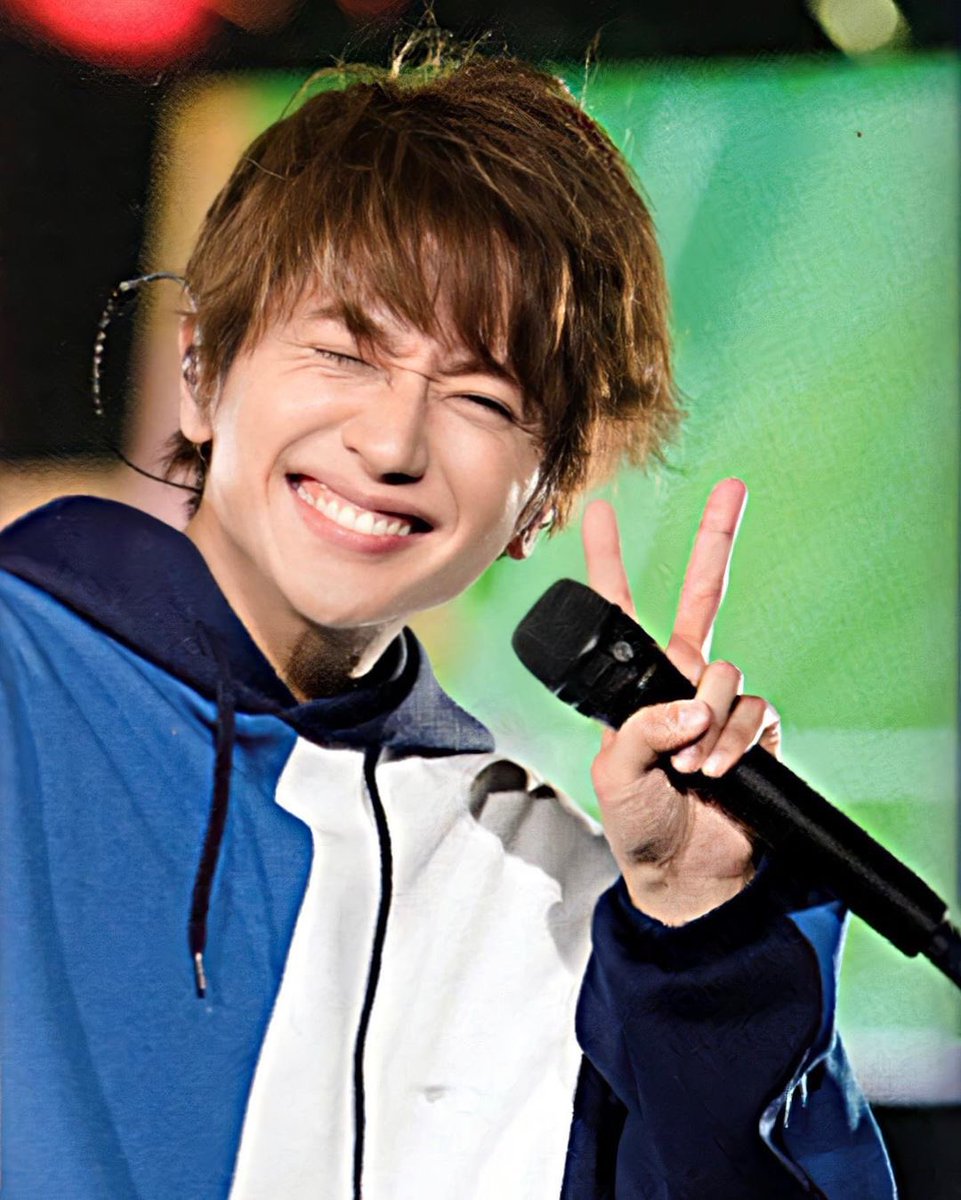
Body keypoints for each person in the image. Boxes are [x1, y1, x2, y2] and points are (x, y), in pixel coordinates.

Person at [0, 41, 895, 1200]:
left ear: (546, 498)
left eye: (479, 397)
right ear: (203, 372)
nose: (391, 443)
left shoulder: (553, 896)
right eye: (342, 352)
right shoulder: (23, 675)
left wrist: (701, 941)